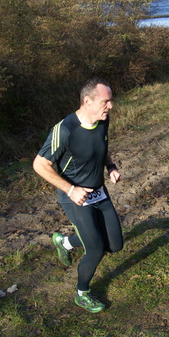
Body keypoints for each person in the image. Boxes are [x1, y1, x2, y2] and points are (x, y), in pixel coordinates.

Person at [32, 78, 123, 313]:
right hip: (75, 197)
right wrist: (71, 190)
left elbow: (101, 146)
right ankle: (82, 293)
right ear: (87, 101)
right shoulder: (65, 130)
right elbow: (39, 164)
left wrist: (110, 166)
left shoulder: (103, 120)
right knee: (94, 249)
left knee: (114, 246)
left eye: (110, 101)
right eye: (106, 101)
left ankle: (64, 242)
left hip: (99, 193)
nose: (110, 106)